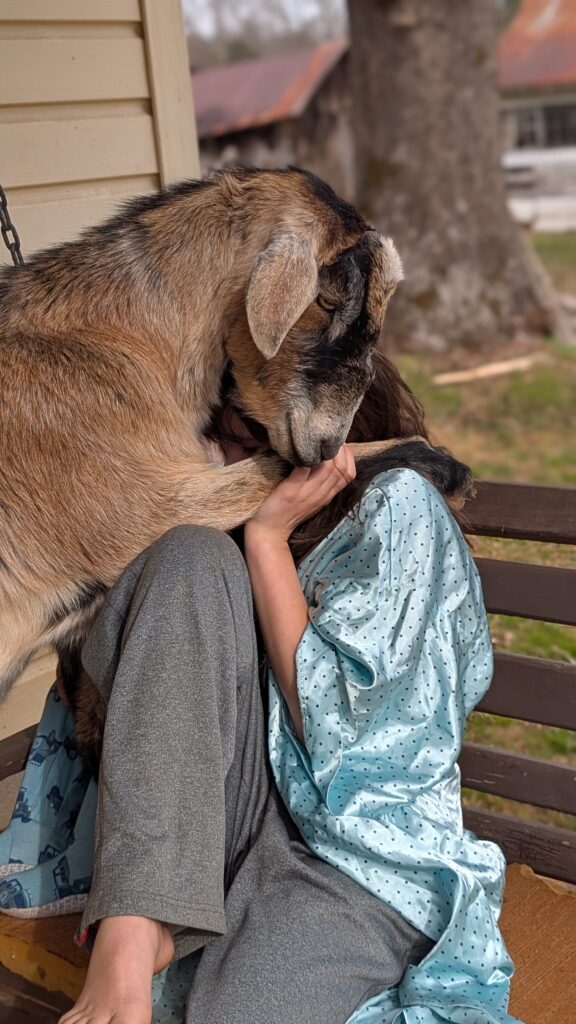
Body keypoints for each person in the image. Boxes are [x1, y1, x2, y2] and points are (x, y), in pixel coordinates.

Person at [0, 351, 519, 1024]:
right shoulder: (221, 530)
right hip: (222, 833)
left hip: (356, 862)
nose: (219, 461)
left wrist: (270, 539)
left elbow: (353, 742)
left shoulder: (401, 508)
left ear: (318, 448)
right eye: (213, 440)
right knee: (189, 553)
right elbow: (128, 674)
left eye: (241, 446)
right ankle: (134, 929)